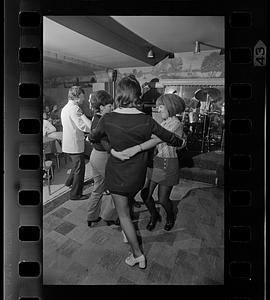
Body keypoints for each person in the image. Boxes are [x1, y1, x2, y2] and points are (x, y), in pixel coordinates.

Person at [90, 75, 185, 269]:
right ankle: (128, 231)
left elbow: (93, 137)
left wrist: (112, 150)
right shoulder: (146, 120)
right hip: (137, 176)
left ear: (120, 94)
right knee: (127, 207)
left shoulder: (108, 118)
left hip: (117, 173)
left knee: (123, 213)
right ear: (137, 95)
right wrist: (182, 142)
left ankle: (137, 255)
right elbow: (172, 138)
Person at [143, 94, 186, 231]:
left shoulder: (176, 123)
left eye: (161, 106)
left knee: (162, 199)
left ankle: (170, 216)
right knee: (146, 195)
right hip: (156, 162)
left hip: (168, 163)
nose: (158, 109)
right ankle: (154, 215)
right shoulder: (164, 122)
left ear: (169, 107)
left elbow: (158, 137)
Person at [86, 90, 119, 227]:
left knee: (98, 188)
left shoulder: (95, 117)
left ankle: (92, 217)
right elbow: (108, 142)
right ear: (101, 107)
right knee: (117, 187)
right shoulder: (102, 121)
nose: (112, 107)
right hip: (103, 157)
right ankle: (109, 216)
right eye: (110, 105)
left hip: (95, 155)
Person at [61, 85, 92, 200]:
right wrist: (93, 128)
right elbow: (82, 126)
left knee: (76, 166)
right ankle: (75, 194)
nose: (83, 99)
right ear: (77, 97)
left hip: (69, 143)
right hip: (74, 144)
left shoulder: (65, 107)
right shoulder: (75, 108)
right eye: (82, 97)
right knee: (80, 169)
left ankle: (69, 182)